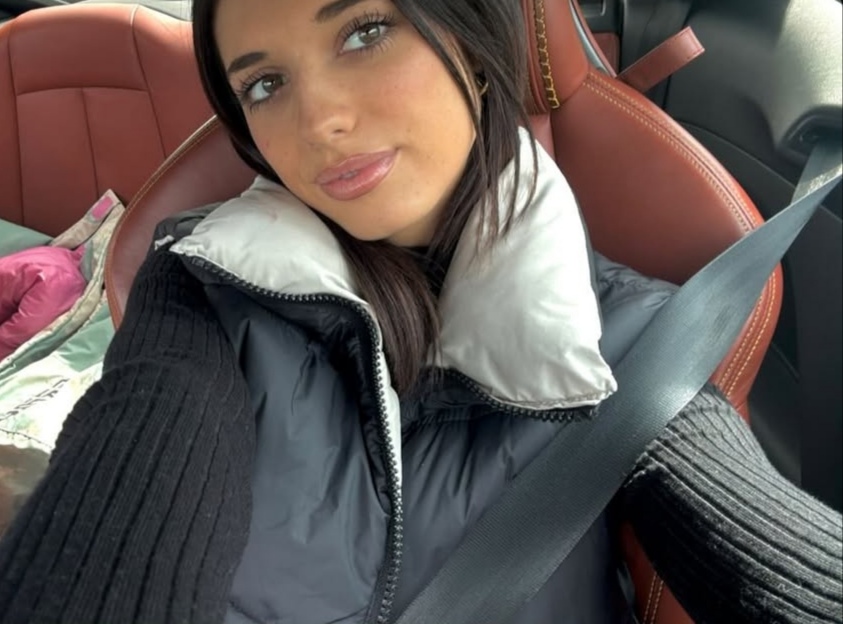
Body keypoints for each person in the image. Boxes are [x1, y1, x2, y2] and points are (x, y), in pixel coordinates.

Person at [0, 0, 840, 622]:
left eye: (364, 32)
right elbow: (134, 467)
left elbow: (759, 546)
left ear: (470, 50)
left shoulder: (631, 344)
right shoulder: (202, 284)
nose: (320, 120)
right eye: (265, 83)